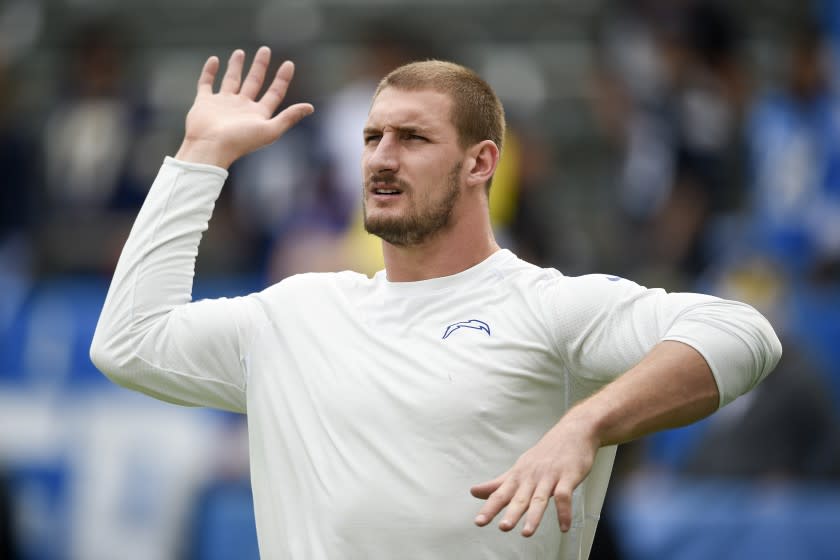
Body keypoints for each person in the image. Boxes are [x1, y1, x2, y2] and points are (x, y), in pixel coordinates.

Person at [90, 47, 782, 559]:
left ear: (481, 163)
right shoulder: (294, 315)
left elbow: (742, 333)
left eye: (412, 138)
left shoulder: (545, 305)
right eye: (371, 138)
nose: (381, 158)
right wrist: (199, 155)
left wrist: (588, 424)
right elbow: (128, 343)